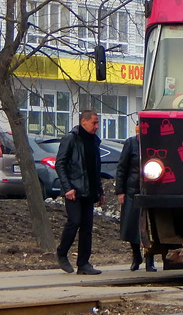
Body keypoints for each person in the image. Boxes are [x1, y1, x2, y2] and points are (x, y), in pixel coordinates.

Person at [55, 110, 105, 275]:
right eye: (94, 123)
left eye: (97, 123)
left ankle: (83, 264)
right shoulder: (71, 139)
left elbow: (95, 168)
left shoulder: (94, 141)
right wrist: (67, 188)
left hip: (89, 190)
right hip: (74, 190)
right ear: (84, 122)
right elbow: (60, 164)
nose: (96, 126)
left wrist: (100, 191)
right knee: (74, 221)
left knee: (87, 227)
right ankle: (62, 253)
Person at [114, 131, 155, 271]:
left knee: (150, 226)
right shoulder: (130, 143)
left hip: (151, 190)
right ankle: (136, 256)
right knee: (132, 225)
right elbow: (122, 167)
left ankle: (150, 259)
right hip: (133, 190)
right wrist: (120, 191)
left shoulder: (155, 142)